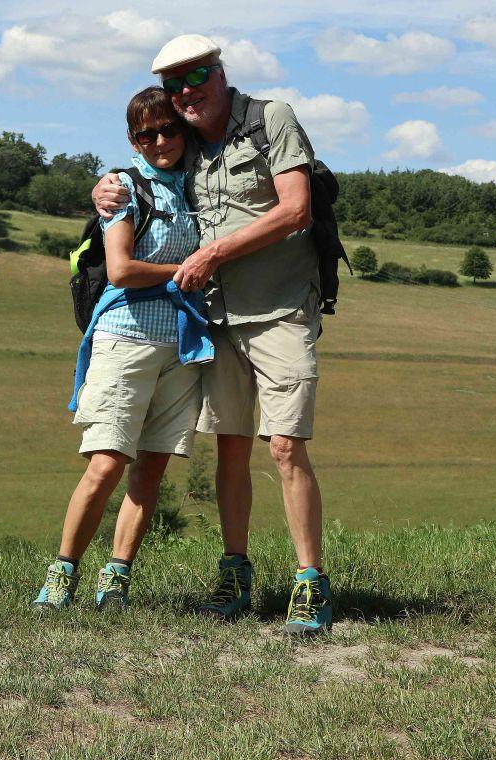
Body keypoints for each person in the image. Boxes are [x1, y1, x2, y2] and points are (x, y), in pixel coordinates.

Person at [92, 34, 331, 634]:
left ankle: (309, 584)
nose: (187, 91)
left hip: (279, 309)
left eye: (197, 76)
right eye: (175, 84)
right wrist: (106, 188)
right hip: (217, 319)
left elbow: (296, 208)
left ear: (220, 72)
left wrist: (216, 251)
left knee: (284, 445)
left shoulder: (271, 119)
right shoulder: (187, 138)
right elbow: (148, 170)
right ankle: (235, 574)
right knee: (229, 447)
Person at [32, 86, 213, 611]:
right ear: (131, 141)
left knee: (151, 468)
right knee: (106, 464)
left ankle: (116, 578)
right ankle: (62, 574)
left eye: (168, 129)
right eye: (145, 134)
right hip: (126, 338)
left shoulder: (202, 185)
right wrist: (192, 272)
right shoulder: (124, 189)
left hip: (182, 345)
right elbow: (121, 270)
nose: (159, 141)